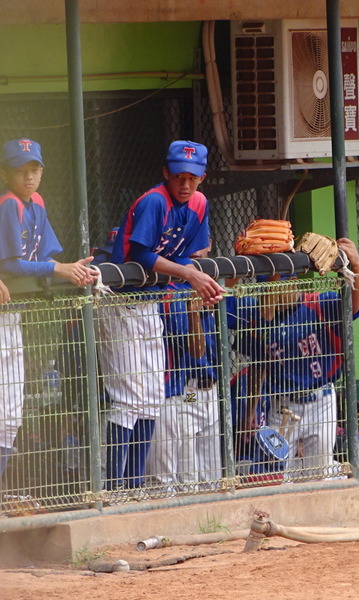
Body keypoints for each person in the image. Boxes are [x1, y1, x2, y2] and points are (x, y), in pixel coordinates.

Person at [97, 140, 225, 493]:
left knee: (152, 395)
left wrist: (196, 274)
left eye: (192, 177)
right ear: (166, 173)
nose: (185, 184)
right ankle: (115, 488)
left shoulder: (199, 203)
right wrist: (189, 274)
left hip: (148, 303)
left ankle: (135, 486)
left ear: (202, 178)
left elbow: (190, 254)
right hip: (120, 302)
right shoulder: (155, 201)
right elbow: (140, 255)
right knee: (128, 399)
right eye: (179, 176)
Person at [227, 237, 359, 480]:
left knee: (319, 474)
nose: (276, 291)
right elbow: (223, 304)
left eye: (282, 283)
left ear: (294, 281)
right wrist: (238, 264)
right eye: (269, 286)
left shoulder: (318, 305)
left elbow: (352, 307)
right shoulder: (256, 314)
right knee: (277, 475)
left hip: (321, 401)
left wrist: (356, 268)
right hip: (282, 405)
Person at [0, 138, 97, 484]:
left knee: (10, 415)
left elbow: (45, 256)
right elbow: (12, 264)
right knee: (4, 413)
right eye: (20, 170)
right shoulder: (8, 204)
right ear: (5, 174)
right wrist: (60, 269)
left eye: (34, 169)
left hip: (13, 314)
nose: (28, 176)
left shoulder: (36, 203)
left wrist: (72, 269)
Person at [145, 244, 222, 494]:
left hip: (212, 391)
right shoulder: (170, 294)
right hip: (187, 393)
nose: (197, 252)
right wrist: (194, 313)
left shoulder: (209, 284)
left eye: (201, 244)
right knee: (188, 479)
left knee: (213, 478)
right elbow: (195, 351)